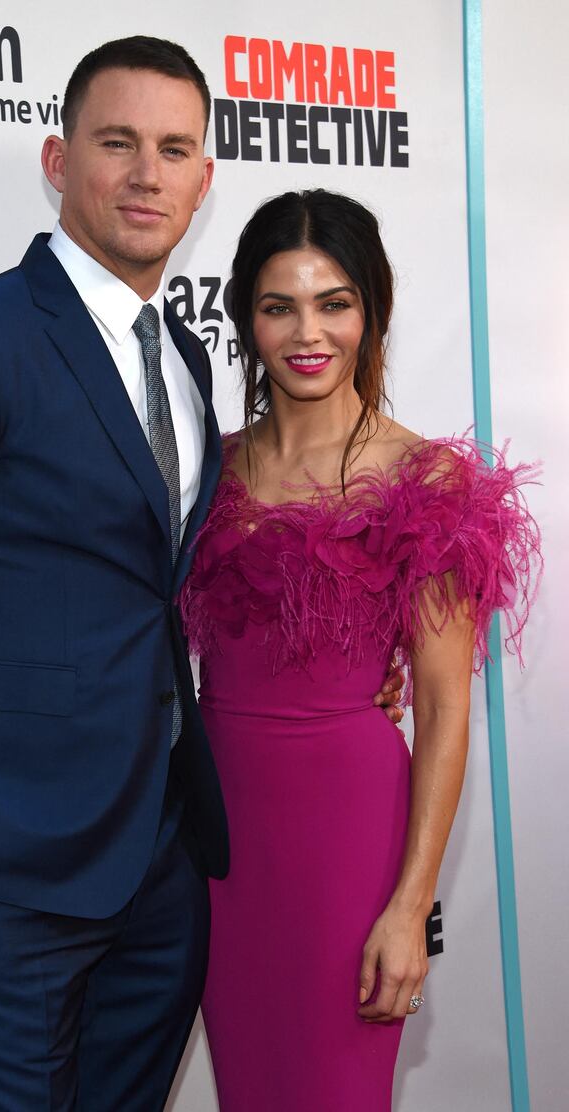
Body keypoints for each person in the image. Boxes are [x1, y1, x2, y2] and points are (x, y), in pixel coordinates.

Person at [0, 39, 403, 1111]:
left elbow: (168, 586)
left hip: (161, 870)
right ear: (56, 157)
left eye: (173, 148)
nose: (146, 173)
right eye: (117, 143)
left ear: (202, 180)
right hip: (0, 881)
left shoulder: (181, 357)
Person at [179, 189, 540, 1111]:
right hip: (214, 843)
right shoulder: (205, 470)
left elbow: (448, 706)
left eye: (335, 302)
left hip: (345, 840)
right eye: (278, 305)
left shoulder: (427, 480)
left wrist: (410, 907)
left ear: (372, 310)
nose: (309, 331)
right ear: (246, 321)